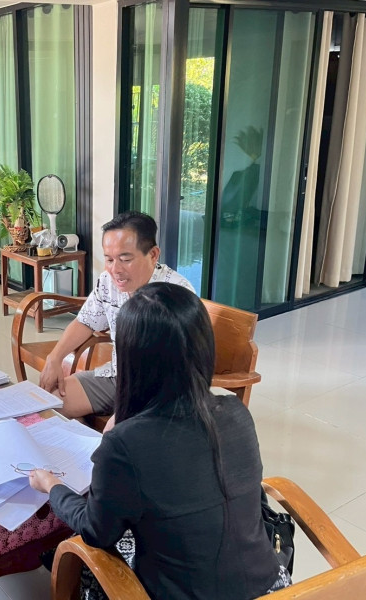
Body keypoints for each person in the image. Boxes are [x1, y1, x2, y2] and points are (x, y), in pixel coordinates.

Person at [29, 282, 290, 599]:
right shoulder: (237, 413)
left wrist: (51, 485)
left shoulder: (125, 443)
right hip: (271, 587)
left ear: (130, 360)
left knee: (85, 551)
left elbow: (97, 532)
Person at [39, 211, 194, 420]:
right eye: (109, 259)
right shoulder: (107, 282)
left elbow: (179, 370)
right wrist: (55, 358)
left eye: (125, 259)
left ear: (153, 254)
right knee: (50, 404)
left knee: (120, 432)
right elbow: (86, 321)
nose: (115, 270)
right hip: (116, 377)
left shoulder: (176, 293)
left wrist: (122, 414)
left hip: (161, 392)